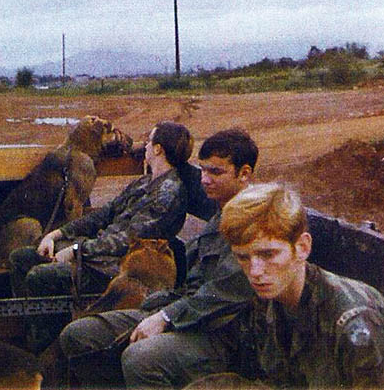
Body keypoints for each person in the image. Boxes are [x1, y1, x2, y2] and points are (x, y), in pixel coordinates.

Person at [60, 128, 259, 389]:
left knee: (140, 358)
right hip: (188, 316)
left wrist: (165, 317)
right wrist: (158, 306)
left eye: (216, 172)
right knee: (78, 335)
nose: (205, 180)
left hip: (222, 336)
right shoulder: (220, 216)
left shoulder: (255, 223)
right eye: (203, 170)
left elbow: (223, 292)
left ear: (244, 174)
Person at [9, 121, 217, 351]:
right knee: (21, 258)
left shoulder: (169, 192)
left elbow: (128, 239)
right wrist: (57, 235)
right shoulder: (145, 182)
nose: (145, 146)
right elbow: (105, 214)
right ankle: (33, 337)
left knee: (41, 276)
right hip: (98, 255)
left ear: (158, 149)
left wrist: (77, 251)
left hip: (118, 265)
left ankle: (49, 349)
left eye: (149, 141)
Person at [218, 182, 384, 388]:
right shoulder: (269, 301)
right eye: (243, 257)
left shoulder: (355, 323)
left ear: (302, 248)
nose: (255, 271)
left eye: (268, 254)